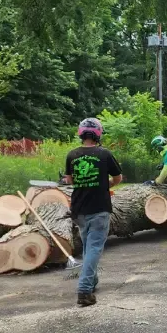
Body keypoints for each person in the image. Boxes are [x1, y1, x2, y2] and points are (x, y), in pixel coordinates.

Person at [62, 118, 122, 307]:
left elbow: (70, 180)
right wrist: (107, 185)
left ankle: (92, 281)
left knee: (89, 246)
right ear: (98, 134)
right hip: (99, 208)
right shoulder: (104, 154)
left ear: (81, 133)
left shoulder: (72, 155)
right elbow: (118, 177)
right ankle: (84, 289)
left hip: (79, 209)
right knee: (94, 248)